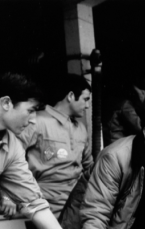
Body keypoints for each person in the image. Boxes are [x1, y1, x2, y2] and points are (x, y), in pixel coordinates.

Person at [0, 72, 93, 229]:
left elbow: (35, 204)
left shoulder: (11, 145)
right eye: (30, 110)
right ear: (6, 103)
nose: (34, 119)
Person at [19, 74, 94, 219]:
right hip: (45, 205)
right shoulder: (36, 121)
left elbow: (89, 167)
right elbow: (10, 159)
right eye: (85, 99)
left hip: (78, 204)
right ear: (71, 96)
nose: (87, 106)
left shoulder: (81, 129)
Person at [106, 72, 145, 144]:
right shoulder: (127, 99)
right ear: (138, 79)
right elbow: (137, 126)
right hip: (118, 141)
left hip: (128, 140)